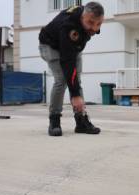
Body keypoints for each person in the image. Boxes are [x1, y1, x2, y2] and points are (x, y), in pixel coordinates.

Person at [38, 2, 103, 136]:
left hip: (71, 47)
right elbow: (67, 61)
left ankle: (81, 121)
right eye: (91, 23)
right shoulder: (69, 26)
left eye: (98, 24)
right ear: (82, 17)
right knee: (62, 80)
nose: (94, 28)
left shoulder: (89, 21)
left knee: (75, 79)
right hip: (50, 45)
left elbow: (71, 61)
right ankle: (54, 120)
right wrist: (75, 95)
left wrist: (75, 91)